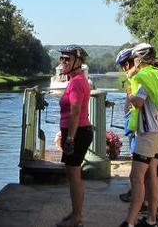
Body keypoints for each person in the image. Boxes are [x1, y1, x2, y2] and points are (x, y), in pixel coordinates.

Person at [119, 43, 158, 227]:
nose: (133, 62)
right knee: (151, 175)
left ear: (139, 59)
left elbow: (140, 102)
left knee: (136, 178)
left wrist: (130, 97)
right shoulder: (157, 75)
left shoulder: (143, 77)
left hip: (148, 134)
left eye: (135, 58)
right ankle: (152, 219)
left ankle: (130, 222)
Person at [57, 45, 93, 227]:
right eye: (61, 58)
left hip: (77, 133)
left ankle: (77, 217)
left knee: (74, 175)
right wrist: (61, 133)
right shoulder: (74, 80)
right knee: (72, 175)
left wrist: (70, 138)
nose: (62, 62)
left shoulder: (77, 82)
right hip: (74, 131)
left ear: (78, 63)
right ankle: (75, 214)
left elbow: (75, 111)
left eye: (67, 59)